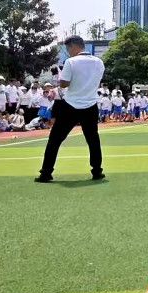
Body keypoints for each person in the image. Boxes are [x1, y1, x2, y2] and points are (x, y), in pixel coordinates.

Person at [35, 36, 105, 183]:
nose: (68, 52)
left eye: (68, 48)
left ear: (73, 46)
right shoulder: (99, 62)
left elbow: (64, 84)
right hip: (90, 104)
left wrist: (60, 77)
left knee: (55, 139)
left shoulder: (71, 62)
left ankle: (46, 173)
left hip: (71, 105)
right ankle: (97, 171)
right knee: (93, 139)